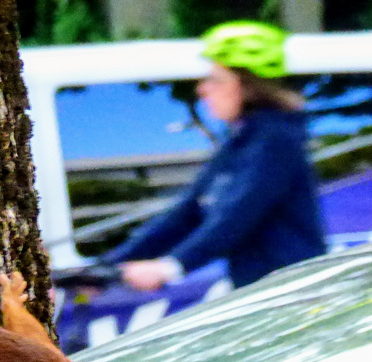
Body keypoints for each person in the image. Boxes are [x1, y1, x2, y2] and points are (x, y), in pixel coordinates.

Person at [104, 21, 327, 292]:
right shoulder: (240, 140)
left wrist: (171, 266)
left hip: (291, 294)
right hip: (259, 291)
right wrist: (107, 264)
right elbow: (188, 212)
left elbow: (237, 216)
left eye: (215, 79)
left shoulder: (276, 140)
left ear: (246, 87)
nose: (202, 89)